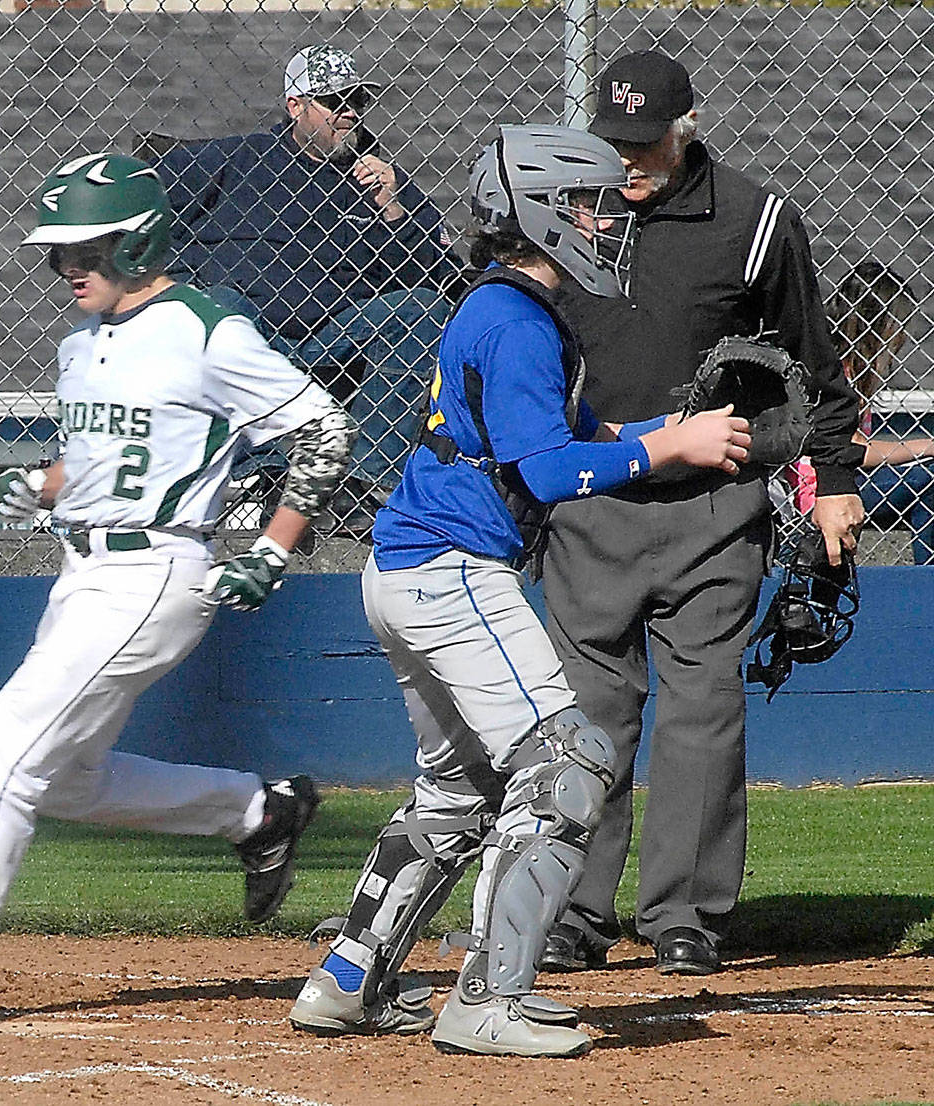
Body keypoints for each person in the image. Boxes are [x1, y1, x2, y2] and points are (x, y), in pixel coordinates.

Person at [0, 152, 358, 1027]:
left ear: (140, 239)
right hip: (82, 572)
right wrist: (42, 485)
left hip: (155, 572)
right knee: (66, 780)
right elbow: (104, 463)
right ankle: (257, 812)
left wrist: (273, 546)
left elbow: (324, 429)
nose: (68, 266)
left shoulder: (207, 331)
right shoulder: (79, 344)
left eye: (87, 247)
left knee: (2, 747)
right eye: (59, 251)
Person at [287, 124, 750, 1058]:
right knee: (568, 765)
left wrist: (672, 426)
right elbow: (545, 471)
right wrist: (666, 450)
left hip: (407, 570)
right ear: (539, 214)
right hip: (452, 568)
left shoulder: (513, 312)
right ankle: (490, 1001)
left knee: (457, 793)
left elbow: (574, 429)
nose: (601, 221)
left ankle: (347, 980)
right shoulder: (514, 318)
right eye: (582, 205)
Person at [538, 50, 865, 980]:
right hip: (594, 495)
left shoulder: (755, 222)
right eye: (614, 142)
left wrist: (835, 476)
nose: (629, 161)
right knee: (590, 712)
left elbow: (817, 361)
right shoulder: (568, 213)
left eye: (646, 143)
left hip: (717, 505)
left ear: (686, 125)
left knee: (703, 711)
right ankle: (572, 909)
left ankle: (684, 914)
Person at [156, 43, 461, 522]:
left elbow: (443, 277)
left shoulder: (382, 178)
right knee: (221, 303)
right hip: (247, 340)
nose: (349, 114)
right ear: (295, 106)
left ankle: (357, 482)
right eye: (335, 101)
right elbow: (146, 216)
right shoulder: (236, 161)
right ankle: (269, 474)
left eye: (358, 101)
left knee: (420, 310)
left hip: (336, 344)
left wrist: (393, 209)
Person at [786, 261, 934, 565]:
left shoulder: (859, 371)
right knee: (928, 479)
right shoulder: (838, 371)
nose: (904, 335)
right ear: (880, 322)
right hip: (817, 489)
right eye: (899, 322)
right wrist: (925, 447)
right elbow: (853, 449)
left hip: (840, 479)